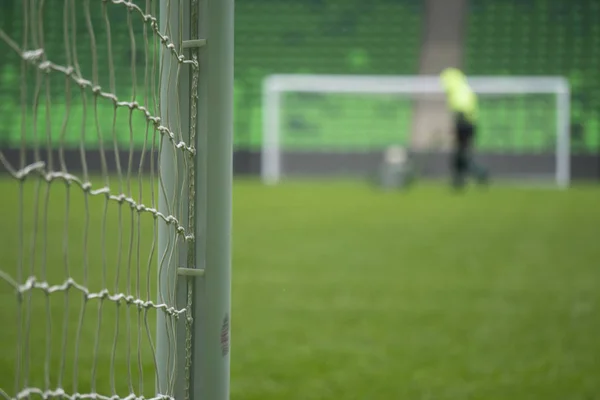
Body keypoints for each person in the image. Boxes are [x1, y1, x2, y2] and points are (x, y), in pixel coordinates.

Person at [440, 68, 489, 189]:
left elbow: (461, 110)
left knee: (461, 154)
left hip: (464, 126)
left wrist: (456, 127)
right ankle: (461, 179)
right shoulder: (464, 89)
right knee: (462, 153)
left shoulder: (459, 91)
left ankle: (477, 174)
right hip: (469, 125)